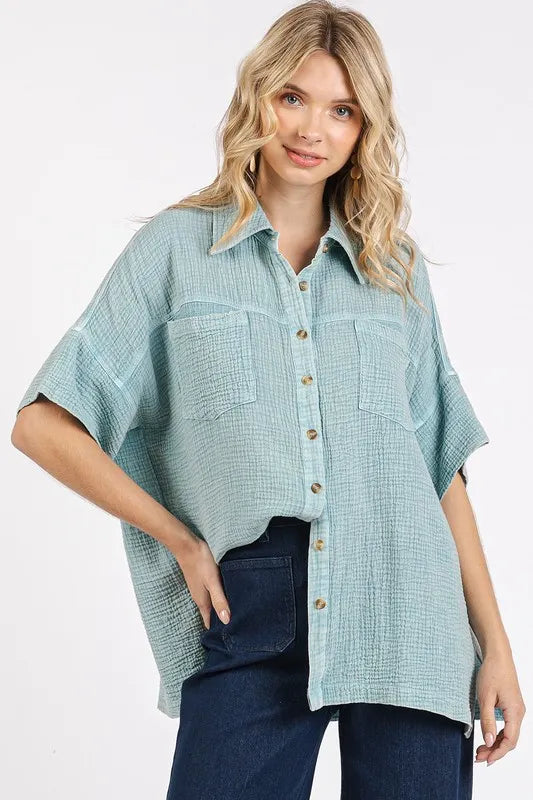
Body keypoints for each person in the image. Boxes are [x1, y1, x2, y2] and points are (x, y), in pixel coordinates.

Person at [12, 1, 525, 798]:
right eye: (293, 97)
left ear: (363, 128)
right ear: (257, 96)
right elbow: (42, 424)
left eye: (341, 110)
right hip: (254, 596)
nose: (312, 129)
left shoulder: (393, 269)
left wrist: (495, 645)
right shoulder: (177, 250)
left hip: (408, 606)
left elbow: (439, 470)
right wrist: (182, 541)